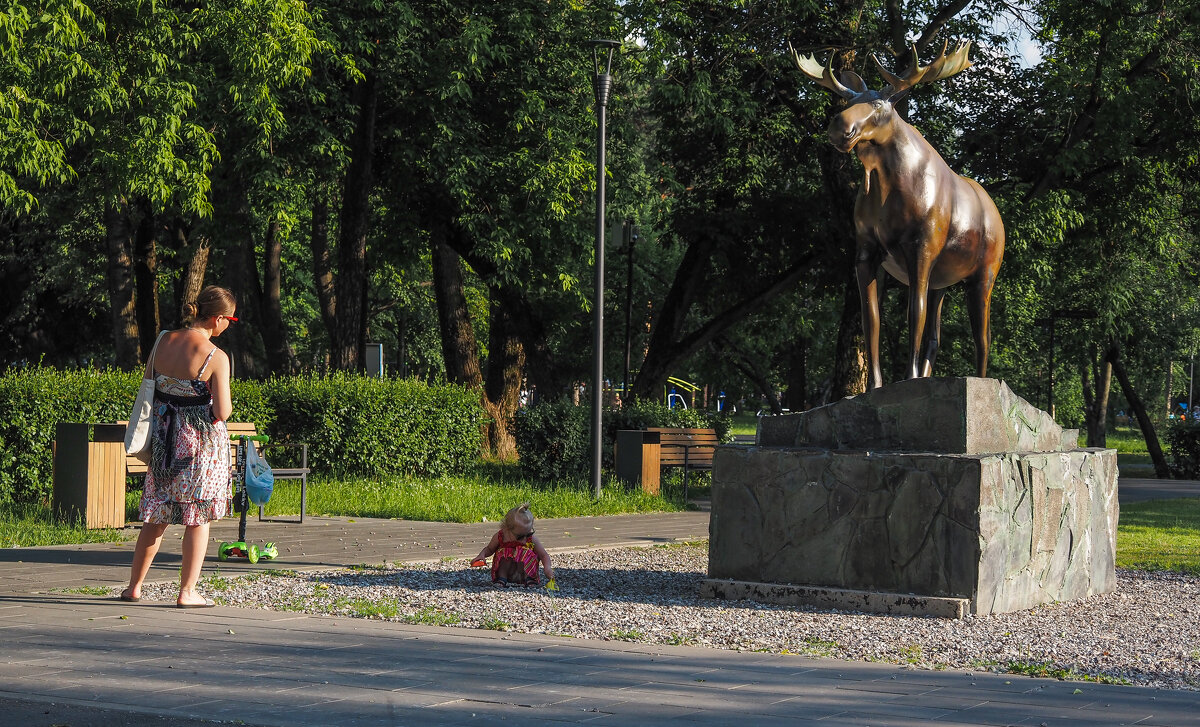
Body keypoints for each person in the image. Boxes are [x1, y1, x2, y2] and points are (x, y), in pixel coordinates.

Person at [120, 286, 237, 608]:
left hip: (163, 442)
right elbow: (222, 412)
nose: (229, 324)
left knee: (155, 516)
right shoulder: (216, 356)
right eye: (231, 319)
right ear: (217, 318)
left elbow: (150, 386)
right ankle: (187, 592)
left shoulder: (162, 341)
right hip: (199, 447)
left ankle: (134, 586)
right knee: (198, 519)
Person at [471, 503, 556, 588]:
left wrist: (547, 568)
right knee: (505, 552)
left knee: (525, 551)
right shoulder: (501, 536)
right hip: (507, 571)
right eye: (520, 536)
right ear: (507, 528)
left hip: (524, 571)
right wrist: (481, 555)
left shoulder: (531, 538)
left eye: (529, 533)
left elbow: (543, 555)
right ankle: (502, 578)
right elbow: (489, 549)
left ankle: (529, 578)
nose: (525, 538)